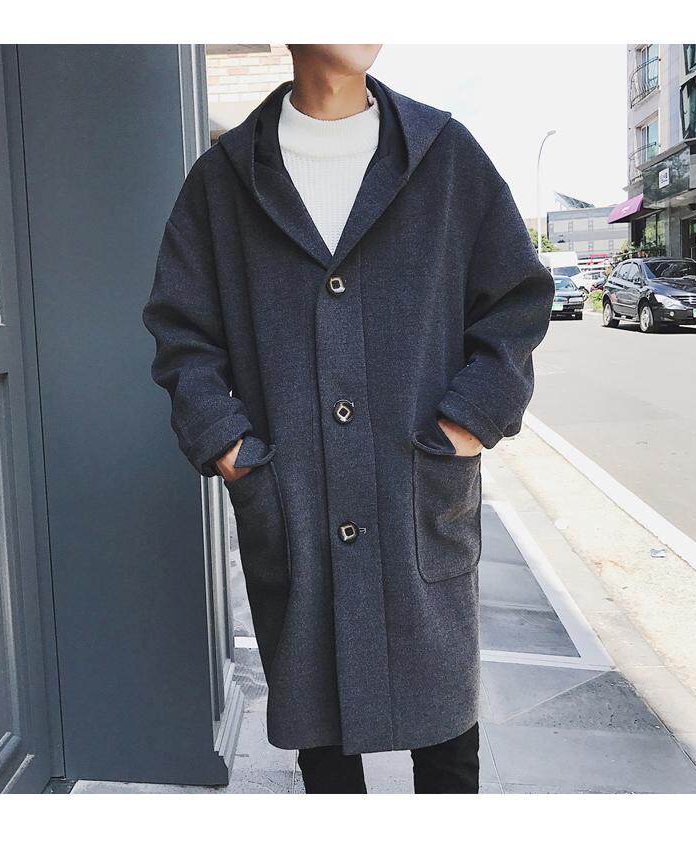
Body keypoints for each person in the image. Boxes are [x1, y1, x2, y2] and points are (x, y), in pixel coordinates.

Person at [143, 44, 554, 794]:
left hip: (418, 496)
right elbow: (182, 335)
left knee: (448, 745)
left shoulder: (443, 156)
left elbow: (517, 303)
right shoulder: (225, 180)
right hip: (293, 504)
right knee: (323, 751)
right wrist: (231, 448)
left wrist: (466, 425)